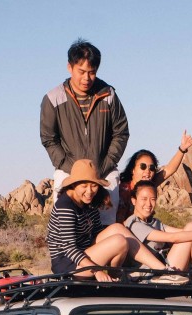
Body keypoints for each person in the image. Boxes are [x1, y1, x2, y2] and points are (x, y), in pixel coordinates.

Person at [41, 40, 128, 225]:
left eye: (92, 72)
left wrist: (106, 164)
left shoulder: (108, 95)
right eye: (81, 71)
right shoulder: (53, 98)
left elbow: (121, 132)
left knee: (106, 226)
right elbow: (49, 138)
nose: (86, 78)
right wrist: (69, 167)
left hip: (104, 171)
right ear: (69, 67)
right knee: (68, 224)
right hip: (68, 172)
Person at [47, 159, 171, 282]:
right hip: (69, 265)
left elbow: (97, 232)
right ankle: (117, 276)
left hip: (85, 253)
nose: (90, 191)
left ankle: (162, 270)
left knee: (117, 228)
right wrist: (97, 271)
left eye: (94, 185)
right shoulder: (65, 206)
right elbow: (69, 248)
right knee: (119, 241)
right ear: (74, 184)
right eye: (84, 186)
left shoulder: (89, 202)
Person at [116, 132, 192, 223]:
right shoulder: (124, 191)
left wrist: (182, 149)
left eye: (152, 168)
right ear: (132, 170)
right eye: (143, 167)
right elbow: (119, 222)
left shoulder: (148, 186)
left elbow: (169, 170)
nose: (148, 171)